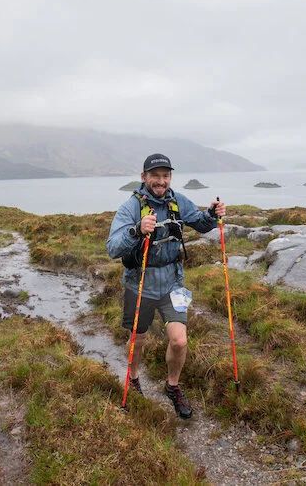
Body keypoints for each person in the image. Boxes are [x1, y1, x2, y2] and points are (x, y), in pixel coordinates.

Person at [106, 153, 226, 419]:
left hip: (173, 284)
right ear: (144, 177)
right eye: (155, 176)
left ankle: (172, 387)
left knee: (180, 341)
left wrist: (212, 213)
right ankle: (134, 379)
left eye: (165, 176)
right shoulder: (130, 207)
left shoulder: (178, 201)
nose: (161, 181)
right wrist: (136, 230)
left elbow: (201, 224)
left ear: (170, 177)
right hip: (139, 285)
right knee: (137, 340)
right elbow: (112, 248)